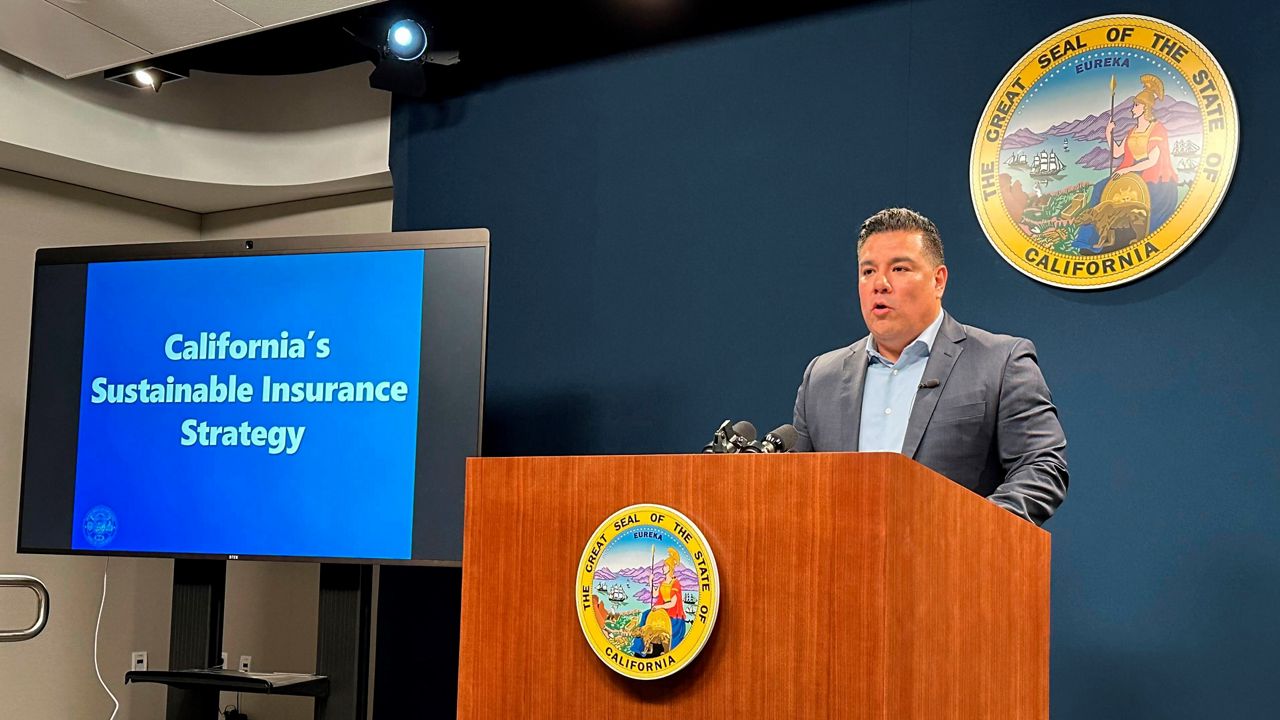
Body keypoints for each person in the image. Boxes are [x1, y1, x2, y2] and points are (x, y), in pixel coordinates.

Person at [792, 208, 1067, 525]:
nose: (879, 284)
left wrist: (972, 533)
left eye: (899, 269)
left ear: (938, 281)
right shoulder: (821, 376)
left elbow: (1041, 465)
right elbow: (798, 488)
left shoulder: (1000, 361)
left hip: (956, 566)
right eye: (868, 272)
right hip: (843, 567)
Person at [1074, 74, 1180, 252]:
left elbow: (1152, 160)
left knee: (1150, 199)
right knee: (1100, 187)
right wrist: (1109, 134)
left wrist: (1127, 171)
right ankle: (1086, 239)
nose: (1132, 108)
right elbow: (1117, 152)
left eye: (1136, 105)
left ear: (1145, 107)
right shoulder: (1131, 130)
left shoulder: (1157, 128)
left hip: (1151, 175)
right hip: (1130, 172)